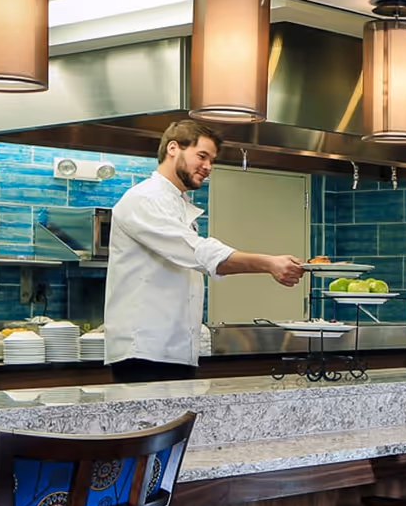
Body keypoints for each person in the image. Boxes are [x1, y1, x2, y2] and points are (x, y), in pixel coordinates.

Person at [104, 118, 305, 381]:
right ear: (173, 148)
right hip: (143, 351)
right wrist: (268, 263)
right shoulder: (143, 199)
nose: (208, 166)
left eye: (212, 160)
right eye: (202, 156)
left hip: (174, 350)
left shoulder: (175, 202)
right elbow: (199, 253)